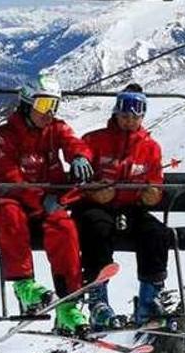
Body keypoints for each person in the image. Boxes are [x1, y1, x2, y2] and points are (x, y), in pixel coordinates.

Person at [0, 72, 94, 334]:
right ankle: (25, 287)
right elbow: (10, 176)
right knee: (9, 216)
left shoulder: (55, 129)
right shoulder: (5, 136)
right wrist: (40, 199)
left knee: (65, 229)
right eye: (43, 105)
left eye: (53, 106)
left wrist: (80, 156)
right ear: (26, 104)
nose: (49, 113)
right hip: (17, 202)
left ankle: (68, 303)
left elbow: (73, 142)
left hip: (49, 205)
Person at [74, 84, 174, 327]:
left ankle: (149, 299)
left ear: (142, 117)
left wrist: (152, 196)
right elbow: (79, 176)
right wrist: (94, 189)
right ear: (116, 114)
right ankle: (98, 300)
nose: (129, 121)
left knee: (157, 233)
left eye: (134, 117)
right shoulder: (95, 140)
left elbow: (155, 182)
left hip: (131, 208)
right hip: (97, 207)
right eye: (124, 116)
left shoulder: (150, 148)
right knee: (96, 228)